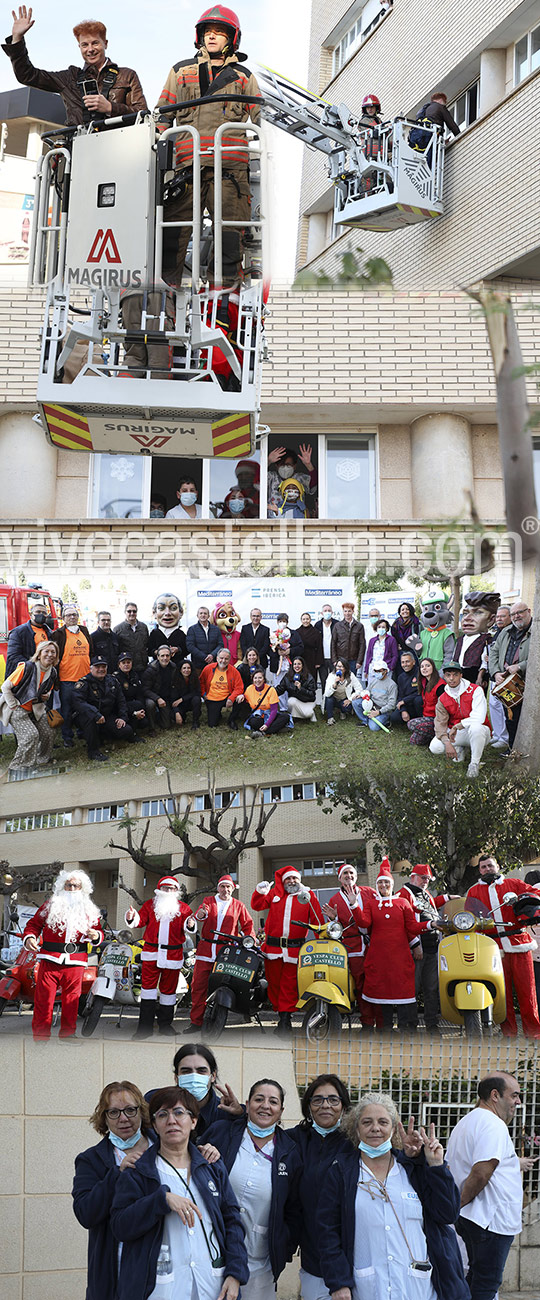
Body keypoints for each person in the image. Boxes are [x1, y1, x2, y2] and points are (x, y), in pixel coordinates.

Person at [317, 1093, 469, 1300]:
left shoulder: (412, 1169)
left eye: (383, 1122)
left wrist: (435, 1165)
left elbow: (448, 1214)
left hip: (419, 1288)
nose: (375, 1128)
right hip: (368, 1289)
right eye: (367, 1122)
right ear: (357, 1129)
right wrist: (338, 1283)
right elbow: (327, 1233)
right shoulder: (341, 1173)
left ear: (393, 1128)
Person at [111, 1085, 249, 1300]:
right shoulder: (138, 1171)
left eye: (179, 1113)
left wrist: (235, 1273)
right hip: (160, 1289)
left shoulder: (211, 1166)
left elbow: (232, 1221)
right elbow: (120, 1226)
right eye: (162, 1115)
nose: (171, 1120)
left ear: (193, 1121)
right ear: (155, 1125)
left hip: (212, 1285)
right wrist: (160, 1200)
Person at [156, 6, 260, 287]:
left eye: (219, 32)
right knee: (171, 236)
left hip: (231, 171)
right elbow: (162, 115)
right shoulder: (180, 72)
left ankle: (221, 304)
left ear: (232, 39)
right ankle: (165, 300)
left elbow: (263, 119)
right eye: (208, 32)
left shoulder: (244, 77)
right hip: (187, 169)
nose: (212, 37)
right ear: (199, 36)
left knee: (229, 239)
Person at [204, 1079, 302, 1300]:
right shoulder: (221, 1133)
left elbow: (294, 1209)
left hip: (260, 1262)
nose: (265, 1106)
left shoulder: (290, 1152)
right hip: (213, 1251)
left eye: (273, 1101)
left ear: (281, 1110)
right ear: (247, 1105)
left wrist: (282, 1248)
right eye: (259, 1099)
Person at [447, 1073, 530, 1300]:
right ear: (495, 1095)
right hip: (489, 1222)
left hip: (477, 1219)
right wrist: (457, 1205)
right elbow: (482, 1171)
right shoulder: (493, 1124)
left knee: (476, 1280)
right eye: (514, 1095)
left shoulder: (468, 1121)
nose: (518, 1102)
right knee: (486, 1284)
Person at [72, 1082, 153, 1300]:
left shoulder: (163, 1147)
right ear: (104, 1118)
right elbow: (85, 1213)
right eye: (114, 1112)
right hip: (114, 1273)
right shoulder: (91, 1160)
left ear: (142, 1111)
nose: (123, 1118)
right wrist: (117, 1173)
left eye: (130, 1110)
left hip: (161, 1268)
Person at [2, 10, 147, 126]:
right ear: (79, 47)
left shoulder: (127, 75)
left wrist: (110, 107)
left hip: (119, 149)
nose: (90, 49)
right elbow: (27, 75)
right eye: (85, 45)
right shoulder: (69, 78)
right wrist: (17, 39)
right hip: (78, 150)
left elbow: (143, 114)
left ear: (106, 44)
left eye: (95, 43)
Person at [353, 859, 440, 1029]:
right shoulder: (371, 904)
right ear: (377, 885)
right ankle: (386, 1029)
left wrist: (430, 925)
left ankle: (406, 1028)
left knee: (403, 993)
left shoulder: (402, 903)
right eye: (380, 882)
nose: (383, 885)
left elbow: (413, 927)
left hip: (400, 958)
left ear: (392, 884)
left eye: (386, 882)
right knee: (382, 993)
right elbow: (363, 923)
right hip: (379, 959)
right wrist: (354, 904)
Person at [287, 1074, 352, 1300]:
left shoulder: (355, 1143)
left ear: (343, 1106)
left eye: (333, 1100)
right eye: (318, 1100)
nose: (326, 1105)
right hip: (313, 1257)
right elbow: (259, 1129)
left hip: (353, 1255)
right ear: (309, 1107)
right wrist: (239, 1113)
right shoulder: (295, 1139)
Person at [22, 867, 103, 1040]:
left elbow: (98, 932)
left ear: (83, 889)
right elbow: (34, 924)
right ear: (62, 887)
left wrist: (96, 936)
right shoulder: (50, 905)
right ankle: (40, 1037)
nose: (72, 889)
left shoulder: (90, 909)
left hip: (76, 961)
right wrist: (29, 937)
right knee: (44, 1001)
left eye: (76, 886)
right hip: (49, 958)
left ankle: (67, 1035)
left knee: (72, 1002)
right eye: (68, 885)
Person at [466, 853, 540, 1038]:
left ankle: (534, 1033)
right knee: (502, 995)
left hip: (519, 944)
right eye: (483, 867)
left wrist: (524, 900)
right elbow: (471, 918)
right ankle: (509, 1033)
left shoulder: (514, 884)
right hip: (493, 949)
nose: (487, 869)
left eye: (490, 865)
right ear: (479, 870)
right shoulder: (473, 891)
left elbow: (536, 893)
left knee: (528, 993)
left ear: (497, 866)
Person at [251, 865, 324, 1034]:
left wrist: (323, 941)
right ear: (283, 882)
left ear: (299, 880)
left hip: (294, 951)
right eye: (288, 879)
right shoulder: (275, 894)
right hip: (273, 950)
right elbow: (257, 905)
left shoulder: (307, 896)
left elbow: (317, 920)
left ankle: (285, 1020)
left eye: (295, 879)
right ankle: (281, 1014)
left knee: (288, 986)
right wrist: (260, 892)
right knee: (275, 985)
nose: (292, 881)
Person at [125, 876, 196, 1038]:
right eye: (165, 888)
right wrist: (131, 916)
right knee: (147, 991)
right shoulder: (150, 905)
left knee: (169, 992)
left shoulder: (184, 908)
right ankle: (144, 1028)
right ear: (159, 889)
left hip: (173, 954)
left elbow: (189, 926)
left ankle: (165, 1025)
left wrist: (190, 924)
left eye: (172, 889)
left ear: (176, 891)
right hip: (151, 953)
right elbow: (140, 921)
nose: (168, 891)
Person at [184, 874, 256, 1032]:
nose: (225, 890)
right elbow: (202, 913)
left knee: (229, 984)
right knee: (198, 986)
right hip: (205, 951)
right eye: (222, 887)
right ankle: (196, 1022)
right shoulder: (208, 901)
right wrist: (200, 916)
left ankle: (226, 1015)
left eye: (228, 887)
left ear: (233, 889)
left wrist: (250, 939)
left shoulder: (238, 905)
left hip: (226, 953)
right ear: (218, 888)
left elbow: (248, 925)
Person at [397, 864, 451, 1031]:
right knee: (411, 990)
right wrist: (415, 945)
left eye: (428, 879)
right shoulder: (403, 894)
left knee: (431, 989)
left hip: (432, 948)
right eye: (423, 878)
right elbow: (403, 924)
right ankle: (409, 1026)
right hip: (416, 951)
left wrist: (449, 898)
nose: (425, 881)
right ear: (412, 877)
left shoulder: (424, 893)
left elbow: (431, 906)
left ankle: (432, 1024)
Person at [323, 864, 372, 1020]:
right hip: (352, 947)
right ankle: (367, 1021)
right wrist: (332, 919)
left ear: (356, 876)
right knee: (360, 984)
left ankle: (383, 1022)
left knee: (375, 983)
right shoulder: (335, 899)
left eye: (351, 873)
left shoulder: (368, 892)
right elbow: (335, 929)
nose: (349, 875)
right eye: (345, 873)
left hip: (373, 945)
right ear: (339, 878)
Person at [0, 640, 59, 770]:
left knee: (49, 732)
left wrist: (47, 695)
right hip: (17, 707)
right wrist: (13, 705)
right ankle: (19, 766)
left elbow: (48, 689)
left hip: (35, 708)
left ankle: (42, 759)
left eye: (53, 652)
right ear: (39, 654)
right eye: (46, 651)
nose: (50, 654)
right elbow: (5, 687)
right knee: (31, 735)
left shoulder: (52, 671)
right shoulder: (27, 667)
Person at [429, 660, 491, 778]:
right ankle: (460, 748)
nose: (452, 678)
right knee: (435, 746)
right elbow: (440, 722)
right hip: (457, 733)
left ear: (461, 675)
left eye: (455, 674)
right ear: (444, 676)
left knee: (476, 728)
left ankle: (474, 764)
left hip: (480, 731)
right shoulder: (443, 697)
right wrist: (446, 742)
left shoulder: (475, 690)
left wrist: (458, 725)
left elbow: (479, 717)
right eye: (448, 675)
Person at [171, 1045, 244, 1138]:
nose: (194, 1077)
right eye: (186, 1071)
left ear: (213, 1076)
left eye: (201, 1071)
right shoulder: (158, 1103)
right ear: (176, 1077)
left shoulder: (224, 1112)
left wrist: (240, 1114)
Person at [73, 656, 136, 760]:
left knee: (126, 731)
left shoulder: (112, 681)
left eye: (103, 666)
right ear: (91, 668)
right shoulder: (84, 683)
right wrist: (95, 714)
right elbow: (78, 702)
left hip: (106, 716)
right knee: (90, 719)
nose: (101, 669)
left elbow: (121, 701)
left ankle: (102, 736)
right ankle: (93, 751)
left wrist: (122, 717)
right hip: (89, 716)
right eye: (97, 667)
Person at [489, 599, 532, 748]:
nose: (516, 616)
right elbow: (493, 653)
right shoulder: (506, 632)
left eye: (520, 612)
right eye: (513, 614)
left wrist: (520, 666)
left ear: (529, 612)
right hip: (506, 682)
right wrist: (495, 673)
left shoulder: (536, 631)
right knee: (510, 717)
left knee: (525, 718)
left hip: (528, 682)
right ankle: (512, 749)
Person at [51, 604, 91, 748]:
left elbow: (90, 652)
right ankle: (67, 737)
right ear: (63, 618)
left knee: (84, 709)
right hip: (67, 680)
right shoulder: (59, 634)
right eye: (69, 615)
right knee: (66, 711)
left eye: (74, 614)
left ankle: (82, 732)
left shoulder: (85, 631)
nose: (72, 617)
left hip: (85, 679)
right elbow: (54, 657)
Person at [453, 591, 500, 687]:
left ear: (491, 620)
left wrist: (480, 677)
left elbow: (484, 662)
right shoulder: (460, 639)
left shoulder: (487, 640)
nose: (467, 618)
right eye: (465, 613)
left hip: (474, 676)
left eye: (477, 613)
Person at [199, 647, 245, 729]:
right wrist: (204, 694)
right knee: (212, 724)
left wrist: (231, 698)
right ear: (217, 658)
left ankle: (232, 720)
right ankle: (217, 713)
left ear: (229, 659)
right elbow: (201, 682)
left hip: (227, 697)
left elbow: (239, 687)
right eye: (221, 658)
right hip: (212, 698)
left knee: (240, 698)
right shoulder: (208, 668)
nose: (223, 661)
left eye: (226, 659)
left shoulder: (234, 671)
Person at [267, 444, 317, 517]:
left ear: (294, 466)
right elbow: (257, 478)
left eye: (288, 464)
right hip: (273, 521)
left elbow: (316, 482)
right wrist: (268, 461)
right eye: (282, 464)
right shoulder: (271, 477)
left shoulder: (300, 478)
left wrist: (308, 464)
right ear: (276, 466)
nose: (285, 467)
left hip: (296, 518)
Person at [143, 645, 185, 730]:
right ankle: (152, 727)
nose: (165, 658)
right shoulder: (150, 670)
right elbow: (145, 689)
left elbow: (174, 687)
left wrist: (175, 710)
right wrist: (157, 698)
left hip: (165, 698)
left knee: (166, 725)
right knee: (150, 704)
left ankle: (158, 716)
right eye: (162, 656)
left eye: (167, 655)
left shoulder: (173, 668)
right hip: (152, 697)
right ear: (157, 657)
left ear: (171, 656)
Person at [487, 604, 512, 751]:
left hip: (505, 676)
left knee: (504, 707)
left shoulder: (511, 632)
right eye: (497, 616)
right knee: (494, 706)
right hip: (494, 675)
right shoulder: (497, 632)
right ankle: (497, 734)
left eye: (503, 616)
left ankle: (505, 738)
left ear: (510, 617)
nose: (499, 619)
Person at [5, 599, 51, 675]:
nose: (41, 614)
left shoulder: (49, 632)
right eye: (38, 612)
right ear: (30, 614)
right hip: (25, 676)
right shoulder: (18, 632)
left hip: (43, 675)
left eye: (44, 613)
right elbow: (13, 656)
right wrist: (33, 667)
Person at [407, 656, 445, 746]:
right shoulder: (423, 682)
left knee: (411, 724)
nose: (424, 668)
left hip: (436, 719)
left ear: (433, 667)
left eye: (427, 666)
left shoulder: (440, 685)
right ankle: (429, 736)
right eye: (422, 666)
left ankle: (435, 734)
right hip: (427, 716)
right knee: (413, 741)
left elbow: (444, 708)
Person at [244, 667, 292, 737]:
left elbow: (274, 710)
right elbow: (244, 698)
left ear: (264, 679)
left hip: (270, 716)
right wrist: (241, 696)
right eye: (255, 678)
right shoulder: (249, 689)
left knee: (285, 717)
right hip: (258, 717)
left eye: (260, 678)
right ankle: (275, 729)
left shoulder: (271, 690)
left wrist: (267, 724)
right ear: (252, 679)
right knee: (253, 721)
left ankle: (263, 732)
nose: (258, 680)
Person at [114, 652, 150, 734]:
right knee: (136, 705)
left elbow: (140, 694)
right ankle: (132, 733)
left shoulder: (134, 675)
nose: (126, 665)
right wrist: (133, 712)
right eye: (123, 663)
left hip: (135, 705)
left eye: (128, 662)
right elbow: (118, 701)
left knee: (145, 723)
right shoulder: (115, 678)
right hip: (121, 708)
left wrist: (141, 710)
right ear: (119, 665)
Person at [357, 662, 398, 731]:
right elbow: (367, 691)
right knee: (356, 702)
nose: (377, 673)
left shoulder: (392, 685)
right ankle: (365, 721)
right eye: (375, 671)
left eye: (379, 671)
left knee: (374, 727)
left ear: (385, 671)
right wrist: (362, 694)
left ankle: (386, 721)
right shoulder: (374, 681)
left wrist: (379, 712)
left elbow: (392, 704)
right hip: (372, 706)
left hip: (383, 711)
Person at [276, 655, 317, 723]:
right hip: (295, 701)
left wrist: (301, 688)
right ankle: (296, 716)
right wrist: (269, 692)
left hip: (307, 701)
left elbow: (312, 694)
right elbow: (280, 689)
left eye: (299, 664)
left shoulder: (309, 677)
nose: (297, 666)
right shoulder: (287, 677)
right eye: (295, 664)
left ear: (302, 665)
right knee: (291, 701)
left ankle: (311, 714)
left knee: (308, 714)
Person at [147, 593, 187, 661]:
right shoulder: (154, 633)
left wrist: (178, 650)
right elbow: (149, 650)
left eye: (173, 608)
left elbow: (187, 650)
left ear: (181, 612)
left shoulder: (181, 634)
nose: (167, 613)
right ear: (154, 613)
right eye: (161, 608)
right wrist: (156, 652)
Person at [323, 660, 364, 725]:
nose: (339, 668)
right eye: (338, 666)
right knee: (329, 699)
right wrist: (334, 685)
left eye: (342, 667)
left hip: (343, 699)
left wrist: (350, 699)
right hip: (333, 699)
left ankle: (342, 711)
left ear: (346, 668)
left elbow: (359, 689)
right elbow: (327, 694)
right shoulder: (331, 676)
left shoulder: (351, 675)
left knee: (347, 707)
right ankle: (330, 718)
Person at [113, 602, 149, 675]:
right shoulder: (118, 629)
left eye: (134, 611)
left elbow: (147, 644)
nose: (132, 613)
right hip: (126, 668)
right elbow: (116, 650)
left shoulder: (143, 627)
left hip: (142, 666)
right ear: (125, 612)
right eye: (129, 611)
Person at [331, 602, 366, 677]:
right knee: (340, 680)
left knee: (352, 680)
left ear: (353, 611)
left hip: (353, 660)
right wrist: (334, 660)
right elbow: (333, 643)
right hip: (340, 660)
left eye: (349, 611)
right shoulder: (337, 626)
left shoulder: (359, 626)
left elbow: (362, 644)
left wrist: (359, 661)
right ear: (343, 612)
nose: (347, 613)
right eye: (345, 611)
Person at [388, 649, 422, 725]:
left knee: (418, 700)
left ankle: (421, 721)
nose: (405, 664)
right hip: (407, 705)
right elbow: (400, 696)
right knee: (394, 718)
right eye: (402, 662)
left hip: (418, 704)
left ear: (413, 662)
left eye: (407, 661)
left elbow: (420, 692)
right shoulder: (401, 677)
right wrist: (403, 710)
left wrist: (404, 701)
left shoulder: (420, 674)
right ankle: (410, 720)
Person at [186, 606, 223, 671]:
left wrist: (212, 655)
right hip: (198, 665)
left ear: (208, 616)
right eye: (201, 613)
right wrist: (205, 657)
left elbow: (220, 645)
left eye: (205, 613)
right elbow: (190, 646)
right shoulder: (192, 629)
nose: (203, 615)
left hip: (213, 663)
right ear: (197, 615)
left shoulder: (216, 629)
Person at [314, 604, 337, 693]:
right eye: (325, 611)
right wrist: (316, 660)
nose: (327, 612)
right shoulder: (317, 625)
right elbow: (315, 644)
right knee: (324, 680)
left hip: (334, 658)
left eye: (329, 611)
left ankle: (334, 702)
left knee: (334, 680)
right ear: (321, 613)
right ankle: (325, 701)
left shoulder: (337, 624)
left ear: (332, 612)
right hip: (321, 659)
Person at [294, 612, 323, 681]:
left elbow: (319, 647)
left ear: (310, 620)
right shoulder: (297, 632)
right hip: (300, 658)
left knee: (311, 678)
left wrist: (318, 662)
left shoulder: (316, 632)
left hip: (312, 658)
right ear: (301, 620)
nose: (305, 621)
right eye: (304, 619)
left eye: (307, 619)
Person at [176, 658, 203, 729]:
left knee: (197, 699)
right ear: (180, 670)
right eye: (184, 668)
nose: (186, 670)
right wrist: (176, 712)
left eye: (188, 668)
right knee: (178, 720)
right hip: (180, 704)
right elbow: (173, 699)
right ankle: (182, 716)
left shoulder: (194, 677)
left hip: (190, 701)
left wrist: (182, 699)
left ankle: (195, 722)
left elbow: (198, 692)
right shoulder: (175, 679)